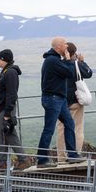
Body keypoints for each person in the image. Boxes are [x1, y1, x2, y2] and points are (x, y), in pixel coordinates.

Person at [36, 37, 85, 167]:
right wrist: (69, 59)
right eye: (64, 44)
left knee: (69, 123)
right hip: (53, 99)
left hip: (59, 98)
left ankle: (72, 155)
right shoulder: (52, 60)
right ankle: (42, 160)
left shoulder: (55, 60)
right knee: (49, 129)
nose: (67, 47)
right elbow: (70, 73)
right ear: (58, 47)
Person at [0, 49, 30, 170]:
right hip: (2, 108)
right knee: (3, 134)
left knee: (8, 133)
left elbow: (11, 94)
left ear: (4, 59)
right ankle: (2, 161)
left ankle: (23, 159)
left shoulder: (10, 73)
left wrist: (7, 113)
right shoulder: (7, 72)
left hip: (6, 108)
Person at [56, 42, 92, 163]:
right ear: (74, 53)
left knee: (61, 129)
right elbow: (89, 73)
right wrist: (82, 61)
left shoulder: (57, 64)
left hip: (61, 102)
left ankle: (61, 157)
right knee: (77, 128)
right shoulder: (76, 64)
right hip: (76, 101)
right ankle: (75, 155)